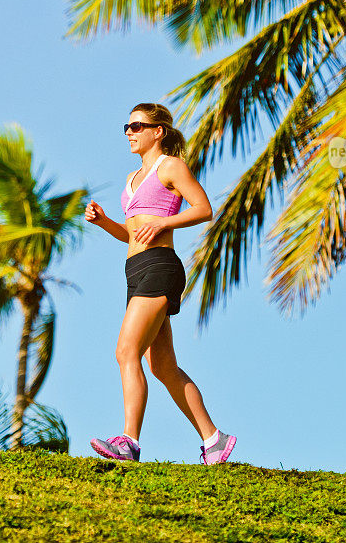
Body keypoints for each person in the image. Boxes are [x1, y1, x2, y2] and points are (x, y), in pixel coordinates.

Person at [85, 102, 236, 465]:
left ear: (159, 131)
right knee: (162, 366)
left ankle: (128, 442)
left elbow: (203, 208)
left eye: (137, 126)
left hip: (160, 266)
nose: (129, 132)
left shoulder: (170, 166)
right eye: (127, 126)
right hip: (135, 270)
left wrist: (166, 224)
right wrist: (106, 222)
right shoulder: (130, 180)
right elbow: (134, 234)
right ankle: (214, 440)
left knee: (126, 351)